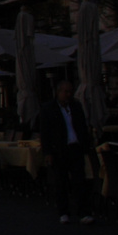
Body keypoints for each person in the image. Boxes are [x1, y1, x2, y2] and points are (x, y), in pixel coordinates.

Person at [37, 79, 94, 224]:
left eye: (70, 91)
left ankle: (83, 212)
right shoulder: (48, 109)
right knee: (60, 182)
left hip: (75, 148)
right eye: (65, 91)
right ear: (58, 92)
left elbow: (82, 125)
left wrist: (85, 144)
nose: (68, 94)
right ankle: (63, 211)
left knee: (79, 181)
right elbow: (45, 132)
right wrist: (48, 152)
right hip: (59, 150)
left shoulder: (76, 106)